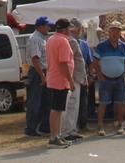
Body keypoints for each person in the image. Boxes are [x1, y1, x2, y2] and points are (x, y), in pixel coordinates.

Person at [92, 21, 125, 136]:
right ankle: (100, 126)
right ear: (109, 32)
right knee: (103, 103)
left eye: (117, 30)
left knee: (120, 102)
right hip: (105, 78)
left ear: (120, 33)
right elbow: (95, 62)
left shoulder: (124, 47)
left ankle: (119, 124)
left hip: (119, 78)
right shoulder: (101, 46)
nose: (115, 33)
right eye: (113, 30)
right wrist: (99, 74)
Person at [45, 18, 76, 149]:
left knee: (56, 109)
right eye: (69, 28)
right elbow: (63, 63)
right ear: (65, 29)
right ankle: (54, 137)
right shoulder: (63, 41)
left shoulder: (51, 39)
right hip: (60, 79)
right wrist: (71, 81)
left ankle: (56, 135)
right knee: (57, 110)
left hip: (53, 77)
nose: (71, 30)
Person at [62, 19, 88, 143]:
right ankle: (65, 131)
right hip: (70, 77)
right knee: (68, 105)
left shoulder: (74, 40)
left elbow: (80, 61)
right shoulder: (69, 41)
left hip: (76, 76)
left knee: (74, 105)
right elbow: (67, 61)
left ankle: (72, 130)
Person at [24, 17, 51, 137]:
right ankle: (31, 128)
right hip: (37, 72)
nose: (49, 28)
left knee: (46, 101)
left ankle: (45, 126)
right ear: (40, 26)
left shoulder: (42, 38)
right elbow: (35, 59)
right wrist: (42, 76)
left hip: (43, 71)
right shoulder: (35, 39)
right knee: (35, 101)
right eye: (47, 26)